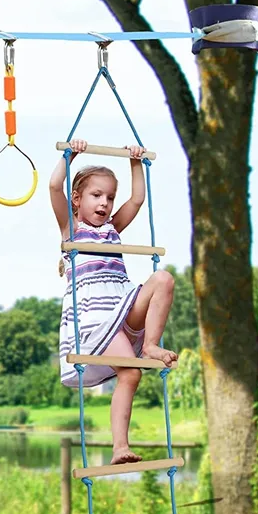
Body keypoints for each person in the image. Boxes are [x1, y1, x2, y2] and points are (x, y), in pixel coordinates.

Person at [49, 139, 178, 465]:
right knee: (131, 375)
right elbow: (54, 186)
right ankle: (120, 447)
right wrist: (71, 156)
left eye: (109, 197)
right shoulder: (73, 230)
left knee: (163, 279)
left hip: (121, 304)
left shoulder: (112, 229)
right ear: (77, 199)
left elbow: (137, 199)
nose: (105, 203)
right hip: (95, 320)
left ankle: (150, 344)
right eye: (97, 196)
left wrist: (136, 163)